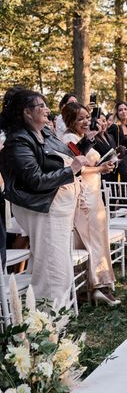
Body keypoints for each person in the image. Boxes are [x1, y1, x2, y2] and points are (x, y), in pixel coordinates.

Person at [0, 89, 89, 307]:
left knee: (63, 269)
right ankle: (48, 328)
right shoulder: (18, 141)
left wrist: (81, 157)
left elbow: (69, 156)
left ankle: (58, 322)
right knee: (53, 271)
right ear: (26, 112)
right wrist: (70, 172)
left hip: (61, 210)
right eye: (41, 106)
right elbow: (35, 180)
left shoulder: (46, 134)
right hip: (44, 210)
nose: (47, 110)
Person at [61, 103, 120, 306]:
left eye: (87, 117)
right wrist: (99, 169)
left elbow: (91, 163)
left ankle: (100, 285)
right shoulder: (68, 139)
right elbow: (76, 169)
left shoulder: (84, 139)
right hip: (84, 197)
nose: (86, 121)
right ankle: (96, 286)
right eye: (80, 118)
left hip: (95, 194)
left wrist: (105, 164)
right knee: (92, 242)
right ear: (70, 121)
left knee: (99, 240)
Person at [108, 101, 127, 182]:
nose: (123, 112)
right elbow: (111, 145)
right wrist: (126, 139)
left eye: (126, 109)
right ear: (117, 113)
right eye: (120, 110)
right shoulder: (114, 127)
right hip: (120, 163)